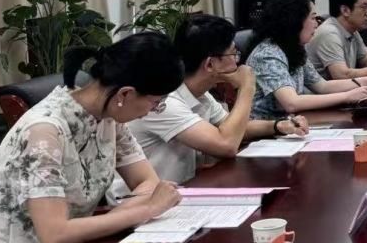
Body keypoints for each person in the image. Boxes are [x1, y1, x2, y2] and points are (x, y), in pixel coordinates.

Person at [0, 33, 186, 243]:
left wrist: (133, 208)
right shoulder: (45, 133)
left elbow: (148, 183)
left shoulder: (107, 118)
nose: (153, 111)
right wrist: (146, 209)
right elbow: (55, 236)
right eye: (155, 103)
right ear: (125, 94)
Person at [118, 15, 312, 191]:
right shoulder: (164, 102)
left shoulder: (200, 94)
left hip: (183, 192)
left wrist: (278, 126)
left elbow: (234, 128)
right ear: (210, 64)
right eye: (233, 54)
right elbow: (227, 144)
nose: (238, 61)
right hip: (144, 202)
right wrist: (247, 87)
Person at [243, 0, 367, 118]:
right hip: (266, 128)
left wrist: (365, 81)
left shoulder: (294, 48)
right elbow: (291, 103)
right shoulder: (267, 55)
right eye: (313, 18)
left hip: (292, 123)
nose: (316, 24)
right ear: (294, 21)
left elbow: (322, 86)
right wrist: (347, 96)